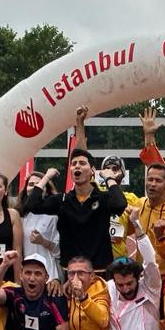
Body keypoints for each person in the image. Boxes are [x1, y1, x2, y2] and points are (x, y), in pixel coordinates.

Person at [23, 114, 130, 272]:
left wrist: (109, 178)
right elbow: (32, 205)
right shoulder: (62, 200)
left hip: (98, 271)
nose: (77, 166)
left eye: (82, 163)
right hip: (71, 272)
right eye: (73, 164)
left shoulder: (103, 198)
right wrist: (45, 178)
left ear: (92, 171)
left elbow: (120, 204)